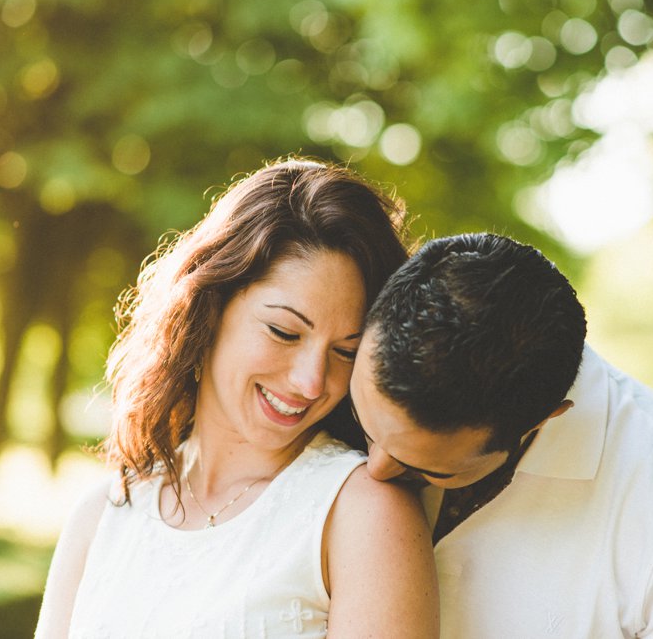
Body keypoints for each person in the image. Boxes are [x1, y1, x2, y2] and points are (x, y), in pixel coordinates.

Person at [35, 158, 439, 638]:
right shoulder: (103, 514)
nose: (312, 382)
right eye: (284, 332)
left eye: (345, 352)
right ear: (209, 307)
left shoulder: (363, 515)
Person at [348, 232, 653, 638]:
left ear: (541, 421)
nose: (376, 469)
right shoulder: (316, 384)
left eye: (429, 468)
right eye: (361, 421)